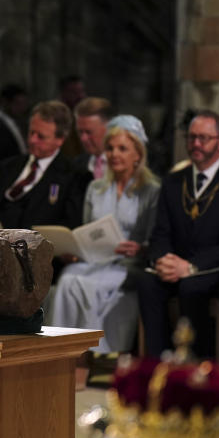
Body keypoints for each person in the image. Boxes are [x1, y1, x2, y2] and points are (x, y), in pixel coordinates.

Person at [135, 109, 219, 359]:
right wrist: (162, 259)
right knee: (146, 282)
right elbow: (160, 231)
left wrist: (191, 266)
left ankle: (198, 364)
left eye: (204, 138)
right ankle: (159, 364)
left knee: (192, 286)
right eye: (191, 138)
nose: (196, 144)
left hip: (212, 267)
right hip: (174, 265)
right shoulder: (173, 181)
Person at [51, 115, 160, 352]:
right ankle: (63, 351)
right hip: (97, 260)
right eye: (110, 149)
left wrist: (140, 248)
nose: (114, 154)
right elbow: (88, 230)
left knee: (94, 286)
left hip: (129, 264)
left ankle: (97, 354)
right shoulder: (96, 188)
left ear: (138, 154)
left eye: (122, 149)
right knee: (69, 279)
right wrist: (76, 249)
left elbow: (155, 238)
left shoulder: (151, 191)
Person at [0, 100, 84, 230]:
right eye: (31, 132)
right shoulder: (7, 167)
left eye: (40, 137)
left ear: (60, 140)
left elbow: (68, 226)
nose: (32, 140)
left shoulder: (73, 176)